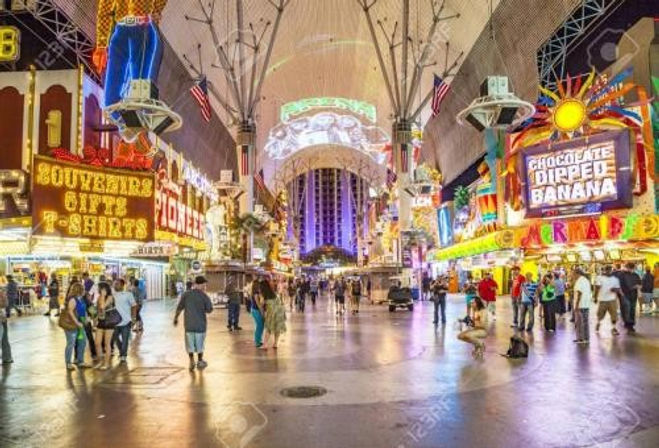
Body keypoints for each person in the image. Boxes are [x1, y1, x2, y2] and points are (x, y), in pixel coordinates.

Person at [174, 276, 213, 370]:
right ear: (202, 284)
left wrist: (175, 318)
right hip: (200, 325)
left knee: (190, 345)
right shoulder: (204, 296)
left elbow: (179, 307)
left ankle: (191, 361)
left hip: (189, 325)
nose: (205, 286)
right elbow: (209, 310)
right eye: (204, 284)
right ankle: (200, 361)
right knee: (200, 344)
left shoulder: (186, 294)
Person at [63, 283, 90, 370]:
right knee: (71, 343)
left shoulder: (80, 299)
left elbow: (83, 310)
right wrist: (77, 323)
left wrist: (85, 318)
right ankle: (68, 363)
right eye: (83, 289)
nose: (84, 290)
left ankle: (80, 360)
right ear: (80, 290)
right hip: (72, 325)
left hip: (80, 324)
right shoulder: (72, 300)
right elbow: (70, 312)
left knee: (82, 341)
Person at [111, 278, 136, 363]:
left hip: (126, 320)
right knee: (114, 337)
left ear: (122, 285)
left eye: (117, 284)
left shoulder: (128, 294)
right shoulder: (112, 295)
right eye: (114, 284)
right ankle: (122, 351)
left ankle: (123, 355)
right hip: (114, 321)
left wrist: (134, 318)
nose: (115, 285)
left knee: (125, 339)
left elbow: (134, 306)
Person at [95, 282, 117, 370]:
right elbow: (98, 309)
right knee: (97, 343)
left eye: (99, 288)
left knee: (107, 344)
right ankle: (100, 362)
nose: (98, 290)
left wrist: (103, 296)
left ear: (104, 289)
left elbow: (103, 306)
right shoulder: (99, 297)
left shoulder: (110, 297)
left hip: (109, 322)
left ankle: (106, 363)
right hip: (100, 321)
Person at [594, 265, 621, 336]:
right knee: (600, 314)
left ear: (612, 270)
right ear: (604, 270)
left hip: (612, 300)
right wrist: (595, 297)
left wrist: (615, 290)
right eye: (607, 270)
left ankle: (614, 328)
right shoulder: (600, 278)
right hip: (602, 300)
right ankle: (598, 323)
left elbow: (618, 289)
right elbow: (597, 288)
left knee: (614, 315)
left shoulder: (615, 279)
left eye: (610, 270)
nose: (609, 271)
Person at [262, 278, 287, 349]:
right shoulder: (273, 293)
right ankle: (275, 343)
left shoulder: (264, 295)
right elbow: (280, 302)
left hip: (273, 313)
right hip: (280, 311)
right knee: (277, 328)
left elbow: (261, 303)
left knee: (269, 328)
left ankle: (265, 344)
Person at [619, 262, 641, 333]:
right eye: (629, 268)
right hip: (625, 295)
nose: (631, 269)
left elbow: (640, 284)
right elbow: (620, 285)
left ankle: (630, 324)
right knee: (627, 309)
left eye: (632, 268)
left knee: (632, 309)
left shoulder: (636, 275)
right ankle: (628, 323)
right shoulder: (622, 275)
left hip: (633, 295)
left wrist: (638, 288)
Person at [573, 268, 592, 344]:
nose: (572, 275)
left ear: (577, 273)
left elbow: (579, 293)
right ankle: (586, 338)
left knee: (579, 322)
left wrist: (577, 305)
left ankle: (580, 339)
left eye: (573, 273)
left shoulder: (579, 281)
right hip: (586, 304)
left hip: (580, 305)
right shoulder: (586, 280)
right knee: (585, 322)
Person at [250, 280, 265, 347]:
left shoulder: (257, 293)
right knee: (259, 326)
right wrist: (262, 312)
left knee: (261, 326)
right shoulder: (255, 293)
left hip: (255, 310)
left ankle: (259, 340)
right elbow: (258, 304)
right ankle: (257, 342)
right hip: (256, 311)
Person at [0, 289, 13, 365]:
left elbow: (5, 303)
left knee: (4, 338)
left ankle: (7, 357)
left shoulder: (1, 292)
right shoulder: (1, 292)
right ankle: (7, 357)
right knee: (4, 338)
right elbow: (5, 303)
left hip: (2, 318)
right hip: (2, 317)